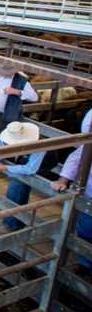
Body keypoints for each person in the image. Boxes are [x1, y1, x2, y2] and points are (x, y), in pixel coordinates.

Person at [51, 108, 92, 273]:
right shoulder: (87, 145)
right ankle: (85, 264)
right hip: (89, 192)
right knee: (85, 229)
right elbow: (78, 155)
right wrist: (63, 179)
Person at [0, 122, 42, 234]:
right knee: (19, 190)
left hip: (40, 166)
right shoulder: (5, 136)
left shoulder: (40, 145)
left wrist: (6, 167)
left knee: (16, 189)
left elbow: (30, 169)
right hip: (22, 161)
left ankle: (11, 224)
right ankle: (17, 222)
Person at [0, 61, 39, 149]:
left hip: (5, 116)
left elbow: (34, 97)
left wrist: (16, 91)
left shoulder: (21, 80)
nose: (5, 74)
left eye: (7, 72)